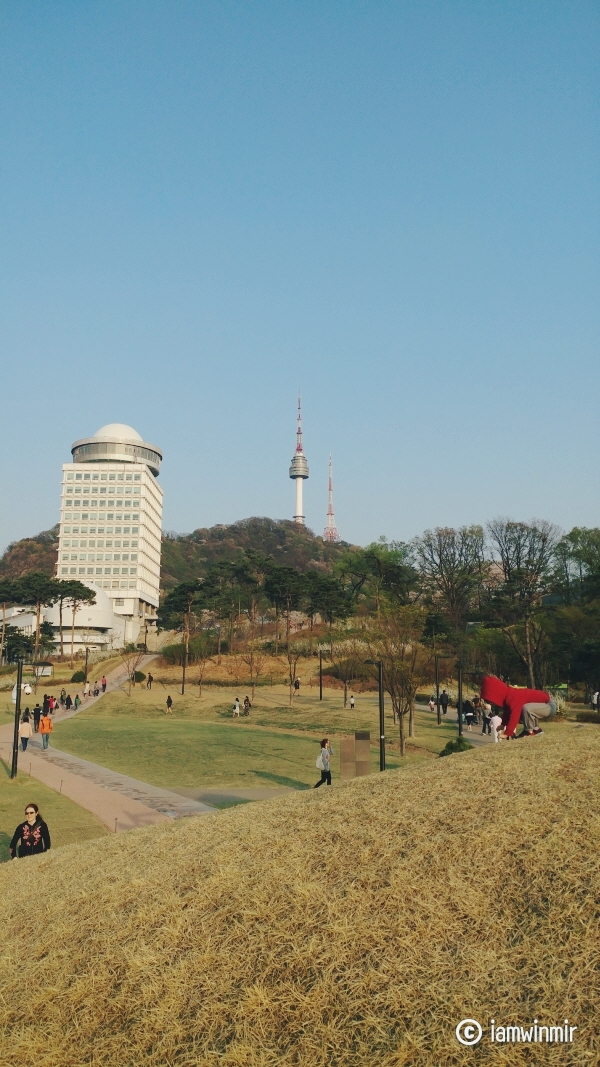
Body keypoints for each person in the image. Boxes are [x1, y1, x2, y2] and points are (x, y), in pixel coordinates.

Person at [480, 676, 555, 739]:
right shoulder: (508, 697)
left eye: (489, 700)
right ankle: (536, 730)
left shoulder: (513, 697)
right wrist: (503, 725)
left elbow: (514, 715)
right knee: (526, 708)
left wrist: (507, 733)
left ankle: (529, 731)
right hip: (542, 705)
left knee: (526, 708)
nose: (490, 703)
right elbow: (507, 712)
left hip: (548, 706)